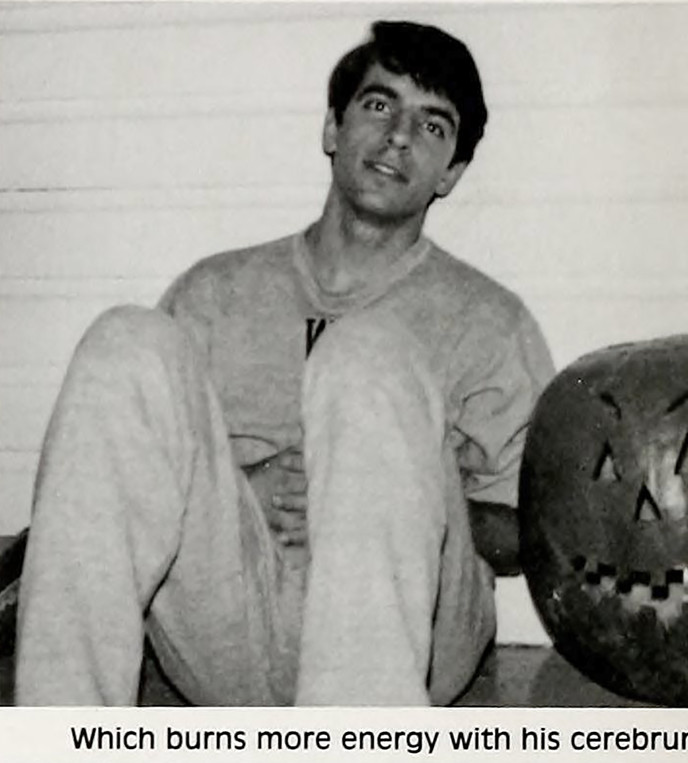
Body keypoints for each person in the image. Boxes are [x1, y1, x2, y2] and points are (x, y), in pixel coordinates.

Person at [15, 20, 554, 706]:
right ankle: (61, 731)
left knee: (367, 350)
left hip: (407, 631)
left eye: (431, 125)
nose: (398, 136)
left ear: (451, 172)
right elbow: (135, 476)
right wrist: (247, 490)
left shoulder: (490, 320)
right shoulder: (214, 293)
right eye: (379, 105)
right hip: (229, 619)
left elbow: (530, 534)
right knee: (124, 339)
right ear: (332, 128)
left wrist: (391, 487)